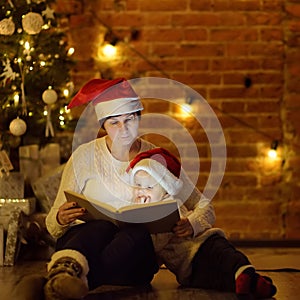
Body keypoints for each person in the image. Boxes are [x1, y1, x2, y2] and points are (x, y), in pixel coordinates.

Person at [126, 147, 277, 299]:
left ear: (166, 189)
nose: (142, 191)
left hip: (204, 244)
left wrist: (191, 223)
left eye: (149, 187)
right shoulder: (144, 214)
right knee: (216, 279)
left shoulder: (168, 206)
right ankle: (251, 282)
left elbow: (157, 243)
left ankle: (244, 271)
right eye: (138, 186)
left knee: (225, 257)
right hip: (188, 268)